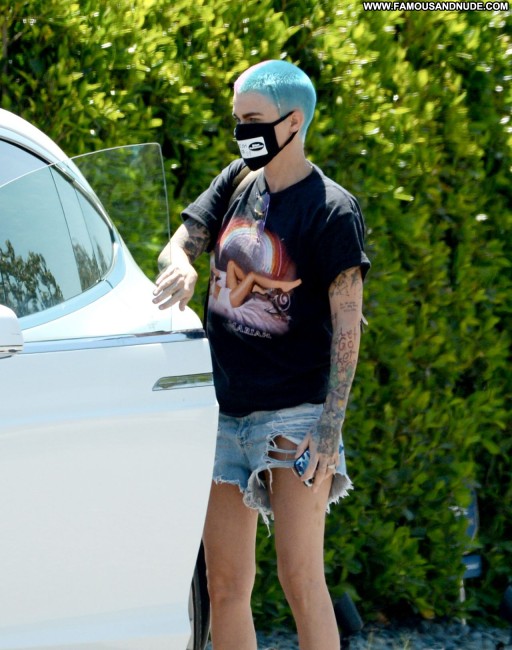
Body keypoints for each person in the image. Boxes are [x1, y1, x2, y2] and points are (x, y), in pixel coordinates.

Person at [153, 60, 370, 650]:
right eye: (236, 119)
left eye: (253, 119)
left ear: (293, 122)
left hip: (294, 420)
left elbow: (348, 328)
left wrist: (329, 430)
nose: (241, 132)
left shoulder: (332, 209)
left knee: (301, 580)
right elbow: (181, 242)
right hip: (223, 413)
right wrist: (181, 264)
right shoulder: (236, 181)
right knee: (225, 585)